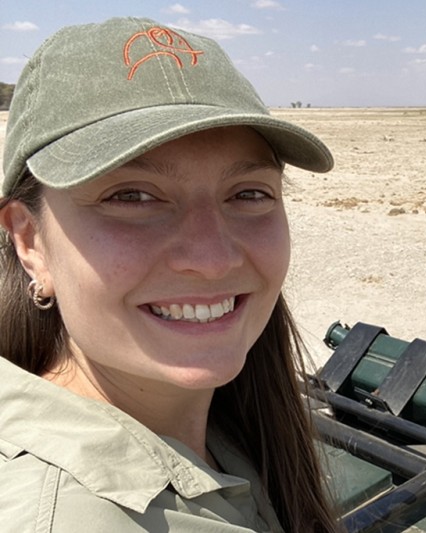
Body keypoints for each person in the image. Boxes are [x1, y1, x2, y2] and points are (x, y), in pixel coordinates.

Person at [0, 16, 341, 532]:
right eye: (131, 197)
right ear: (29, 241)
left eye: (249, 193)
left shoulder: (234, 424)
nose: (212, 259)